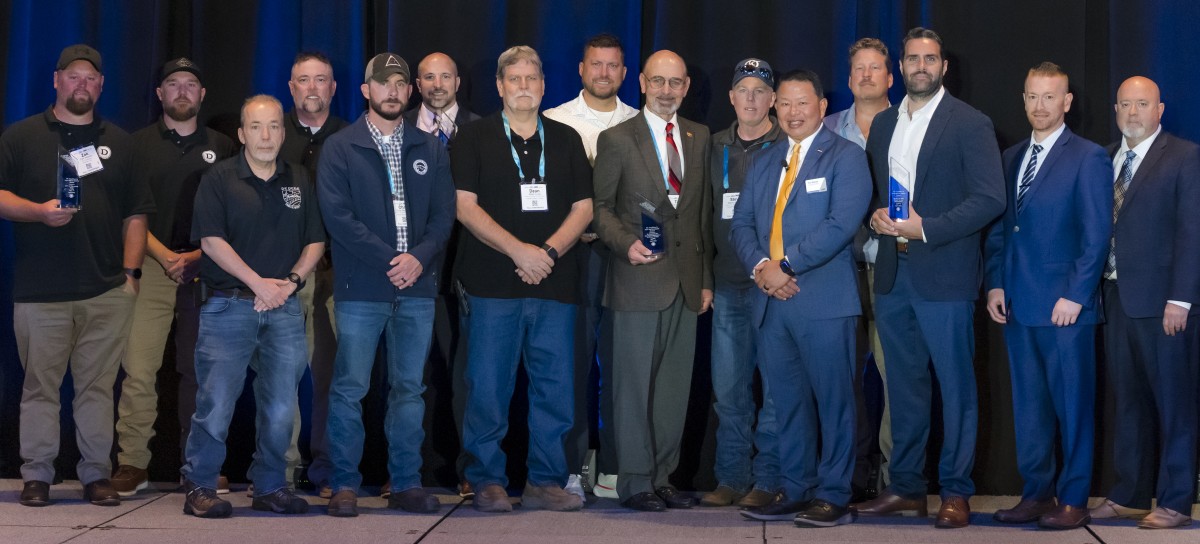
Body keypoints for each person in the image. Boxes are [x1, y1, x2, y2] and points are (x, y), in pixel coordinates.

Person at [852, 27, 1005, 529]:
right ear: (902, 65)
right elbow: (879, 191)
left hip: (946, 275)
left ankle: (956, 492)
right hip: (893, 275)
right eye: (913, 58)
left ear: (944, 67)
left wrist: (927, 229)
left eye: (931, 58)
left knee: (957, 388)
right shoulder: (884, 123)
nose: (922, 66)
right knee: (905, 387)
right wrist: (877, 216)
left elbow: (989, 200)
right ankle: (907, 489)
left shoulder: (970, 123)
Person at [2, 44, 152, 507]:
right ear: (56, 79)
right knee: (40, 387)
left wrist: (130, 277)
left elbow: (137, 214)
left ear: (101, 86)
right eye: (73, 76)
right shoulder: (22, 136)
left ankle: (95, 475)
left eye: (91, 78)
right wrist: (37, 212)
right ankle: (38, 475)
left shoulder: (120, 142)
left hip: (105, 291)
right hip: (40, 292)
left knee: (96, 389)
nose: (82, 84)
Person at [453, 46, 593, 513]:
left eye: (532, 77)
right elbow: (464, 206)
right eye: (515, 78)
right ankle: (488, 480)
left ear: (544, 85)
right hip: (493, 283)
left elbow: (584, 208)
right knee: (488, 387)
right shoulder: (473, 137)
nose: (525, 86)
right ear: (499, 86)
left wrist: (548, 253)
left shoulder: (567, 138)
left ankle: (545, 481)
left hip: (555, 281)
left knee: (555, 388)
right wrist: (519, 251)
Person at [731, 69, 871, 528]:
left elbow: (840, 224)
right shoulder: (766, 160)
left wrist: (784, 266)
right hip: (772, 303)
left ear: (821, 107)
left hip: (825, 302)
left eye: (802, 103)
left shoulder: (845, 157)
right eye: (785, 104)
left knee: (835, 402)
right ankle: (795, 487)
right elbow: (743, 225)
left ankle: (833, 493)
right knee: (786, 402)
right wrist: (762, 270)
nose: (792, 113)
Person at [320, 52, 456, 517]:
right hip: (362, 288)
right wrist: (391, 261)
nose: (393, 91)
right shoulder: (341, 147)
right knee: (350, 388)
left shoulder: (430, 146)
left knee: (409, 390)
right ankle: (343, 484)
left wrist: (417, 259)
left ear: (410, 90)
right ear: (366, 91)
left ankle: (405, 482)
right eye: (383, 84)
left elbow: (443, 217)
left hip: (417, 288)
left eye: (400, 83)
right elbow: (339, 219)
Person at [179, 95, 325, 518]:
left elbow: (315, 239)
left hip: (283, 308)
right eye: (257, 127)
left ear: (283, 131)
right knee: (216, 404)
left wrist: (292, 282)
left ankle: (269, 486)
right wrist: (258, 283)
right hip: (228, 306)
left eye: (274, 126)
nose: (266, 135)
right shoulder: (219, 179)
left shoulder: (299, 178)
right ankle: (201, 487)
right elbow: (210, 241)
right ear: (242, 134)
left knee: (282, 406)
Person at [983, 62, 1111, 530]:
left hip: (1065, 310)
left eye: (1050, 97)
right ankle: (1036, 493)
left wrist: (1076, 295)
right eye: (1032, 96)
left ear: (1067, 102)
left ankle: (1073, 498)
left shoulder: (1089, 157)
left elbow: (1097, 235)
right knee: (1030, 408)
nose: (1040, 106)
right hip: (1017, 305)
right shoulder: (1011, 156)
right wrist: (995, 282)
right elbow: (1001, 230)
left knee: (1073, 407)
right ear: (1024, 99)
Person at [592, 49, 713, 512]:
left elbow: (699, 215)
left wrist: (704, 281)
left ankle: (663, 476)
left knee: (673, 387)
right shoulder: (617, 139)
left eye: (675, 82)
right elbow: (600, 208)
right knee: (632, 387)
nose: (667, 91)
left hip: (685, 284)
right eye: (658, 81)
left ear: (685, 87)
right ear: (642, 82)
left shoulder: (698, 136)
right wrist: (626, 244)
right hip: (636, 279)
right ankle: (635, 481)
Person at [113, 58, 235, 497]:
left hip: (208, 273)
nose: (182, 90)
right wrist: (167, 256)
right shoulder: (135, 146)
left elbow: (235, 215)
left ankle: (197, 466)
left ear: (202, 95)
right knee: (139, 370)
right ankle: (132, 464)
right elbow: (128, 210)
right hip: (152, 269)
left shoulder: (224, 146)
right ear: (160, 94)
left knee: (200, 373)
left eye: (191, 84)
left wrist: (198, 257)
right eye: (172, 84)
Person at [1089, 76, 1200, 530]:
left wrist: (1181, 298)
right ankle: (1130, 494)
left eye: (1142, 104)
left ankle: (1175, 500)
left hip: (1164, 305)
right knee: (1128, 402)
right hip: (1115, 298)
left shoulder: (1185, 156)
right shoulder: (1104, 158)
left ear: (1160, 109)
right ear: (1115, 110)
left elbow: (1192, 232)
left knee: (1174, 404)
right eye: (1125, 105)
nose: (1132, 113)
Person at [543, 32, 639, 499]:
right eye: (595, 64)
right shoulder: (553, 120)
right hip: (570, 258)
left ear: (624, 72)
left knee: (622, 367)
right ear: (581, 69)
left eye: (613, 65)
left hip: (625, 260)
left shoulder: (640, 122)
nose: (604, 73)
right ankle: (572, 467)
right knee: (571, 364)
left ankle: (616, 469)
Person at [698, 57, 783, 509]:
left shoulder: (790, 145)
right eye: (743, 90)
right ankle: (731, 476)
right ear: (731, 97)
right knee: (729, 391)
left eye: (760, 91)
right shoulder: (711, 148)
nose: (751, 99)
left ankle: (768, 480)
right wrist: (705, 280)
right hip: (729, 286)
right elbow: (697, 218)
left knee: (775, 391)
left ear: (773, 99)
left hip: (774, 289)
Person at [405, 50, 480, 499]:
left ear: (458, 82)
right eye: (428, 77)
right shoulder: (395, 129)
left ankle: (470, 469)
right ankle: (406, 470)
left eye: (445, 76)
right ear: (417, 84)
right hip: (410, 268)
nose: (437, 84)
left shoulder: (483, 128)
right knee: (407, 376)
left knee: (467, 374)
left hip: (467, 270)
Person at [822, 37, 893, 499]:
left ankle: (894, 477)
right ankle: (847, 472)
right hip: (837, 273)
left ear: (891, 78)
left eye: (875, 69)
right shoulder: (824, 130)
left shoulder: (911, 127)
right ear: (849, 79)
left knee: (897, 380)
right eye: (859, 69)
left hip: (893, 273)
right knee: (841, 380)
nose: (866, 75)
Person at [280, 50, 350, 495]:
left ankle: (327, 469)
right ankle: (281, 472)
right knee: (282, 375)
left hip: (336, 273)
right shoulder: (270, 134)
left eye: (320, 80)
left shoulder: (351, 137)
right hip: (282, 276)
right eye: (303, 80)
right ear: (292, 88)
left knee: (331, 374)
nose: (311, 88)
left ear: (332, 88)